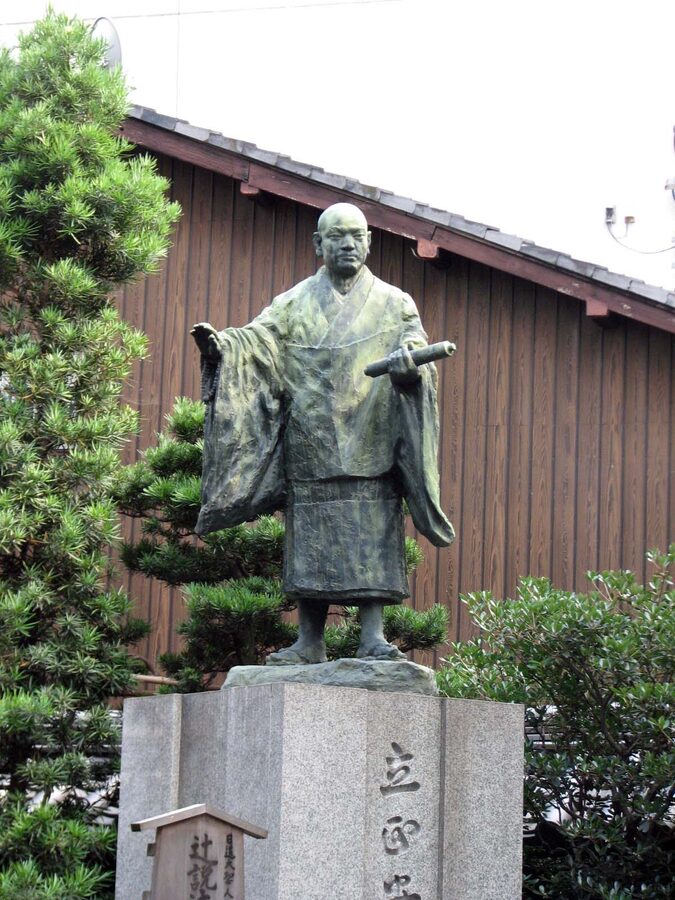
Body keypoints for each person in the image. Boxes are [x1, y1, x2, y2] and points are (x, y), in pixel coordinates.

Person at [192, 202, 453, 665]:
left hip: (370, 440)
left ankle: (372, 634)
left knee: (370, 537)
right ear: (319, 244)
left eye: (356, 235)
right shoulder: (294, 303)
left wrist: (410, 367)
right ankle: (308, 640)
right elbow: (258, 340)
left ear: (369, 242)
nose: (348, 244)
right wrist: (223, 347)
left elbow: (414, 344)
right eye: (337, 236)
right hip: (311, 440)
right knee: (310, 542)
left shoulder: (395, 303)